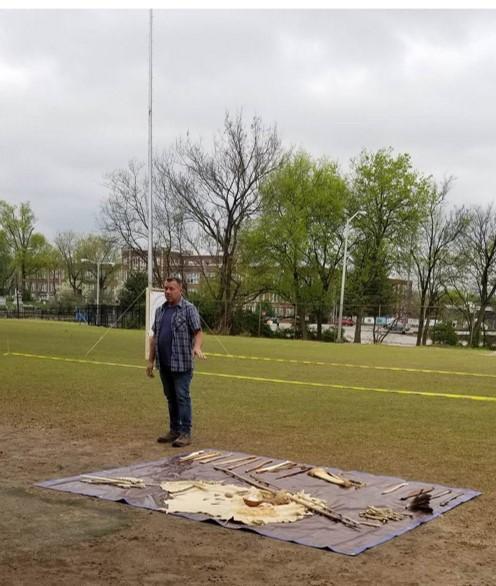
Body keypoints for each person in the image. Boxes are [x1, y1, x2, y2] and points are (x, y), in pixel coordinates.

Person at [146, 276, 205, 447]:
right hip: (164, 364)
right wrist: (151, 361)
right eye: (165, 288)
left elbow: (198, 333)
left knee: (182, 398)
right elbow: (154, 338)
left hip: (182, 364)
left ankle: (185, 433)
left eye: (171, 288)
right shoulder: (160, 311)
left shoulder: (189, 309)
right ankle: (174, 430)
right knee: (171, 398)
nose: (167, 292)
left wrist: (197, 347)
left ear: (181, 290)